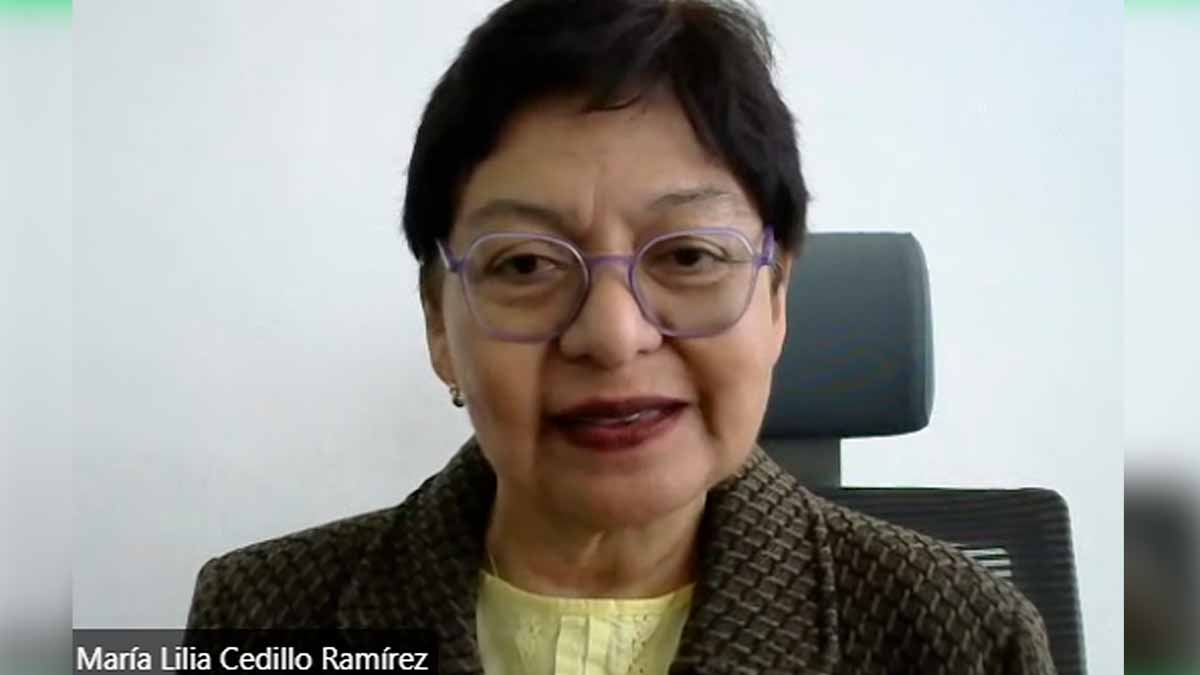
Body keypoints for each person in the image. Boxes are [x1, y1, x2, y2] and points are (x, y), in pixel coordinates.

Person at [186, 1, 1056, 673]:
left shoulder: (963, 639)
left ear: (778, 296)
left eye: (688, 255)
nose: (611, 334)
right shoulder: (262, 618)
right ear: (438, 322)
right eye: (527, 263)